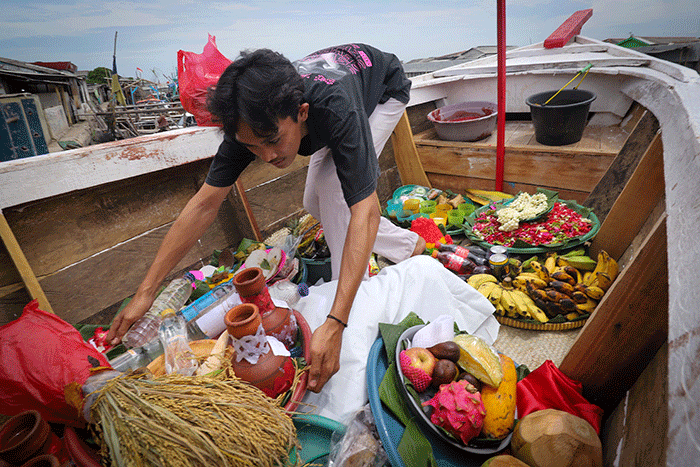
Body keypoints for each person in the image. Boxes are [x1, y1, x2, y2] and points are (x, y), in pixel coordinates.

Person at [106, 43, 425, 392]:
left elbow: (366, 209)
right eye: (253, 148)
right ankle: (409, 245)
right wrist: (146, 292)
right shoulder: (248, 125)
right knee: (315, 201)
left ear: (301, 112)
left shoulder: (335, 108)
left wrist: (335, 321)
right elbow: (204, 204)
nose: (267, 156)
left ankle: (358, 317)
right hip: (335, 103)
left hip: (381, 92)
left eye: (273, 141)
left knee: (337, 195)